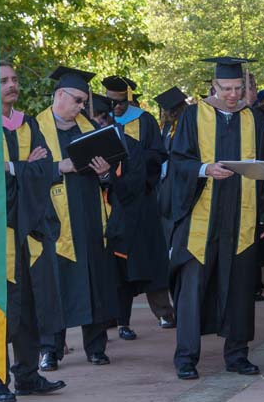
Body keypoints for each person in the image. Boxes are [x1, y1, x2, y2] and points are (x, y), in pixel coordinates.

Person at [169, 56, 264, 380]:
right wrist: (204, 169)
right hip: (201, 215)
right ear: (213, 86)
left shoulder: (252, 117)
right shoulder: (192, 115)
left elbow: (263, 165)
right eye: (226, 88)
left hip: (242, 215)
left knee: (241, 286)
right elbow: (177, 162)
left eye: (238, 88)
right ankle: (186, 358)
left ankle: (238, 355)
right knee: (192, 289)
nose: (232, 95)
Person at [0, 62, 66, 401]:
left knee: (31, 306)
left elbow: (46, 169)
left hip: (29, 229)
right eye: (3, 80)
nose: (11, 85)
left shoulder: (27, 123)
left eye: (15, 79)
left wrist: (13, 169)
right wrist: (22, 167)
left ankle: (28, 376)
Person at [36, 66, 117, 369]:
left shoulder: (91, 129)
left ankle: (96, 347)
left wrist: (104, 171)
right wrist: (60, 167)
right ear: (59, 95)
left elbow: (110, 173)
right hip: (52, 218)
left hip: (89, 213)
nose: (82, 107)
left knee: (93, 280)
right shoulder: (35, 129)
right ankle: (49, 349)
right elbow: (27, 172)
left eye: (84, 102)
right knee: (53, 286)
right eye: (77, 100)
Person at [102, 76, 174, 336]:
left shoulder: (143, 120)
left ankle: (164, 312)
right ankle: (121, 321)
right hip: (115, 204)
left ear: (129, 98)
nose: (117, 108)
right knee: (119, 264)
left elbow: (158, 155)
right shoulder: (102, 121)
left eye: (121, 102)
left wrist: (134, 162)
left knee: (151, 257)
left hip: (142, 202)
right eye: (112, 103)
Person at [154, 86, 189, 247]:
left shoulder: (186, 126)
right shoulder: (167, 127)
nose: (163, 113)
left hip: (179, 180)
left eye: (165, 110)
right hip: (166, 180)